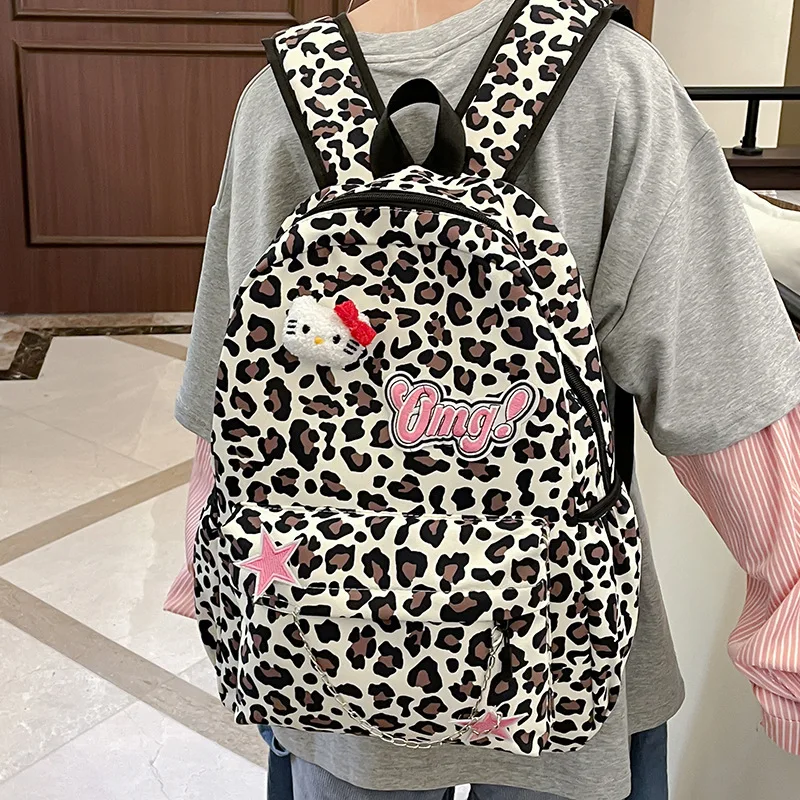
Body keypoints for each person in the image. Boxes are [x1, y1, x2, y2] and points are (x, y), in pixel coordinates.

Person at [166, 0, 800, 797]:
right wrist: (787, 628)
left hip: (322, 637)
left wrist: (211, 578)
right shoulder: (611, 78)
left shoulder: (277, 97)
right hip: (554, 652)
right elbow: (724, 391)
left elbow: (226, 403)